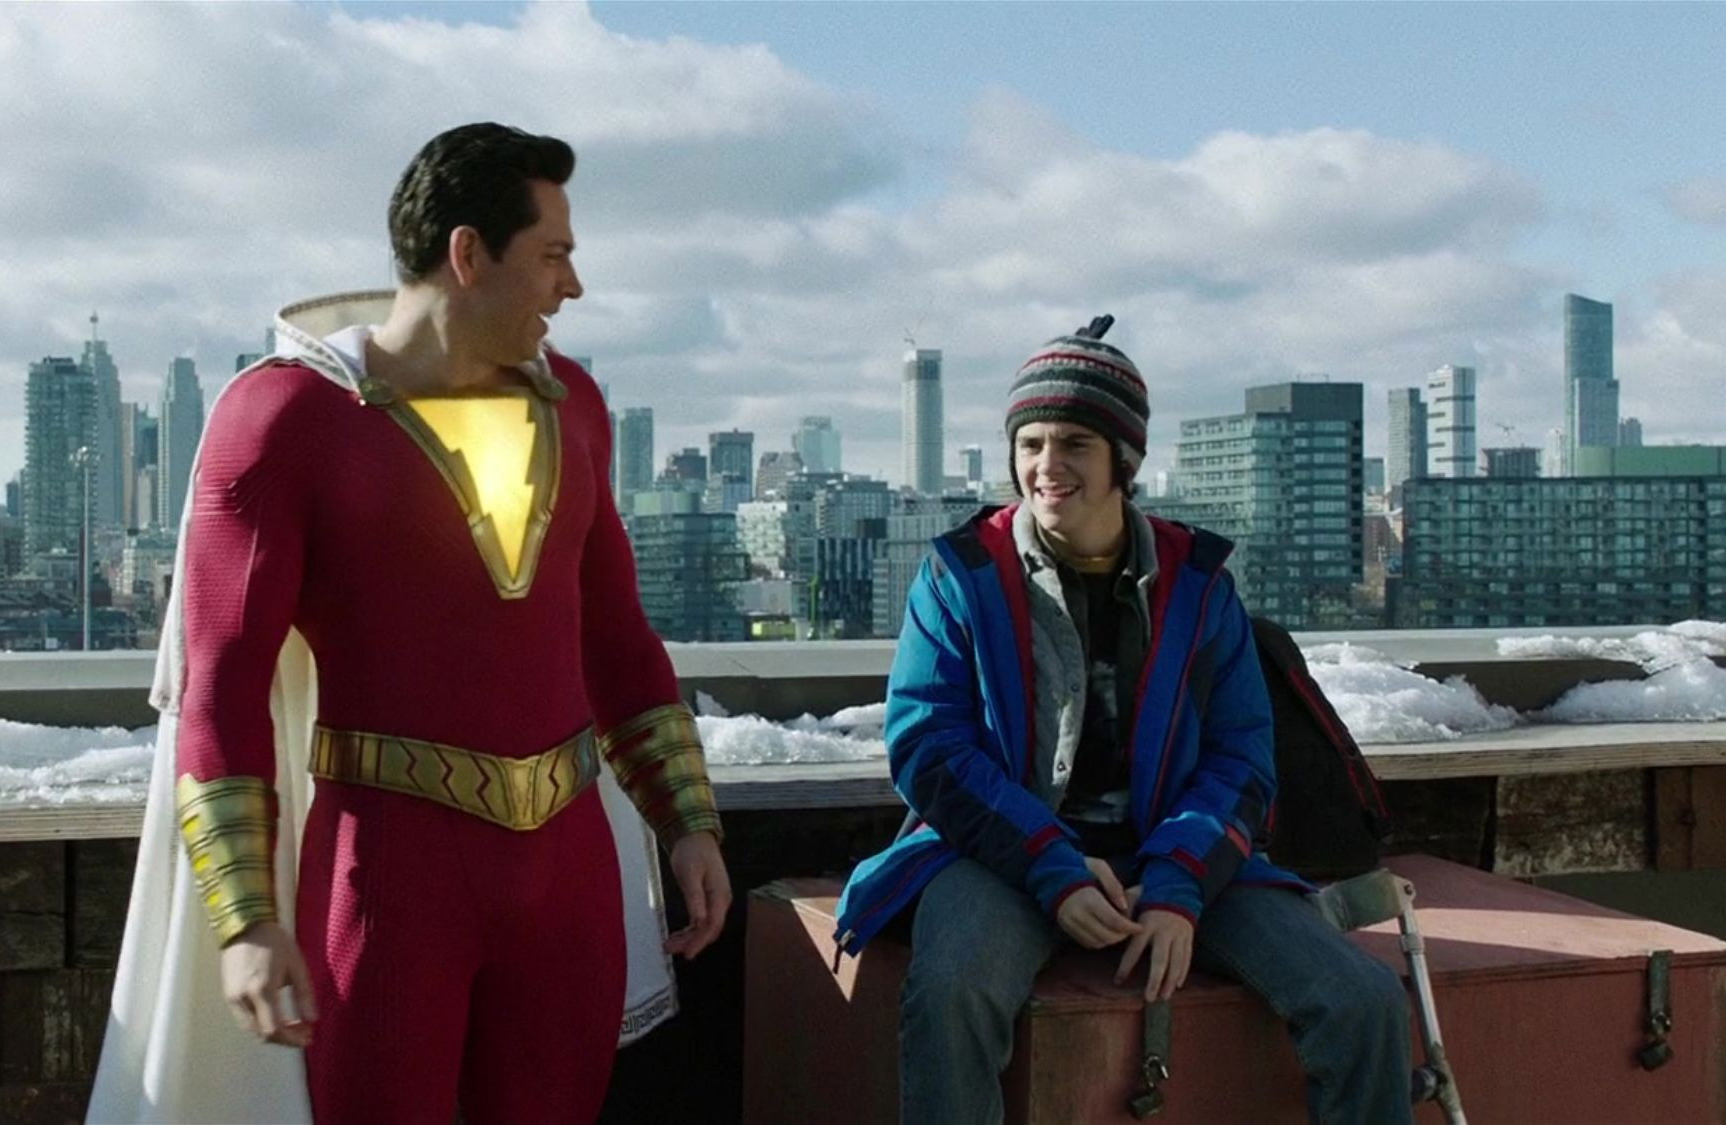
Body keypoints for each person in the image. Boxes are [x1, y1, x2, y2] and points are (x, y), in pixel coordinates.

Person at [89, 123, 730, 1124]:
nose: (572, 285)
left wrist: (685, 819)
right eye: (552, 254)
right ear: (468, 253)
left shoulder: (574, 407)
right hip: (387, 884)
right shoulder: (283, 419)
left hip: (567, 878)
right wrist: (246, 919)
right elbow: (222, 685)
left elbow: (613, 637)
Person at [834, 325, 1412, 1124]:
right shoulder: (960, 574)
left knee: (1363, 1000)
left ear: (1124, 460)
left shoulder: (1199, 584)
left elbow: (1241, 756)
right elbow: (928, 747)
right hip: (1002, 856)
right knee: (951, 991)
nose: (1046, 465)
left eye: (1074, 443)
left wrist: (1178, 883)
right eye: (1030, 443)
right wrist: (1051, 864)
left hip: (1170, 854)